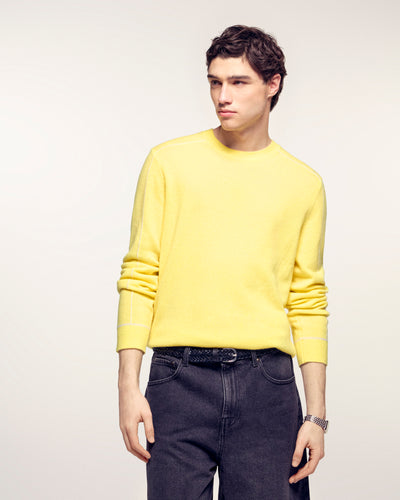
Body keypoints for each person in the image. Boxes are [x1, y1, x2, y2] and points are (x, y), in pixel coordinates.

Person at [116, 24, 330, 500]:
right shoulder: (168, 162)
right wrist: (128, 386)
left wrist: (315, 415)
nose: (222, 96)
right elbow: (140, 274)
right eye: (215, 82)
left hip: (267, 386)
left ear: (272, 84)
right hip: (178, 380)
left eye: (238, 82)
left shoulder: (303, 183)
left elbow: (308, 298)